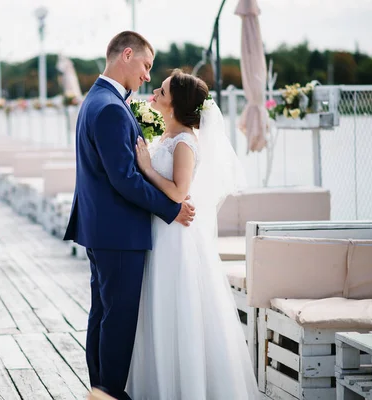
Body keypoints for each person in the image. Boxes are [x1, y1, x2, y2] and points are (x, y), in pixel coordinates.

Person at [64, 32, 196, 400]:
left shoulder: (97, 99)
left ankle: (99, 390)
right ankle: (108, 391)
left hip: (102, 228)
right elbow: (123, 179)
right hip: (118, 231)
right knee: (118, 319)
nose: (147, 76)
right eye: (145, 65)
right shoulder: (108, 108)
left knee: (104, 315)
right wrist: (171, 209)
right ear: (126, 55)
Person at [126, 69, 259, 399]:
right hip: (162, 231)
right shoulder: (168, 136)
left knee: (177, 304)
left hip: (175, 237)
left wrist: (144, 168)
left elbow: (177, 192)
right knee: (158, 303)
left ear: (175, 105)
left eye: (163, 91)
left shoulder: (184, 141)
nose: (155, 92)